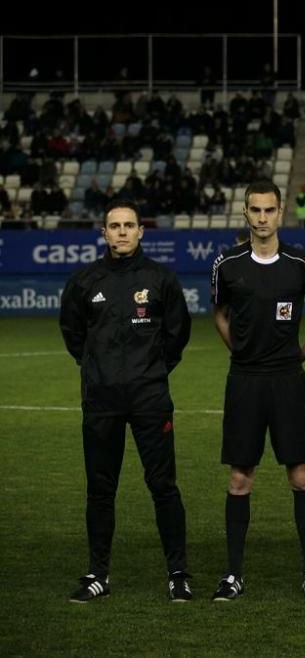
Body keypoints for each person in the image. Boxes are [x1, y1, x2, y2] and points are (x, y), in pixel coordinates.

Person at [59, 200, 192, 602]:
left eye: (128, 225)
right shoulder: (84, 281)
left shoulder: (161, 278)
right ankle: (98, 574)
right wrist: (98, 371)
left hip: (150, 398)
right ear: (103, 232)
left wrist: (150, 371)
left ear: (141, 231)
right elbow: (73, 335)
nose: (121, 232)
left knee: (163, 486)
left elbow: (177, 335)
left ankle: (178, 573)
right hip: (101, 401)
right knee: (100, 489)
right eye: (114, 225)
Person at [209, 180, 305, 601]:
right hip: (244, 380)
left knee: (300, 476)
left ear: (281, 213)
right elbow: (220, 314)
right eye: (255, 210)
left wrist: (298, 356)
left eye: (269, 210)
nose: (262, 218)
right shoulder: (227, 263)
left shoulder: (301, 263)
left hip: (287, 381)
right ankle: (233, 574)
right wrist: (240, 351)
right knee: (241, 477)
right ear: (246, 213)